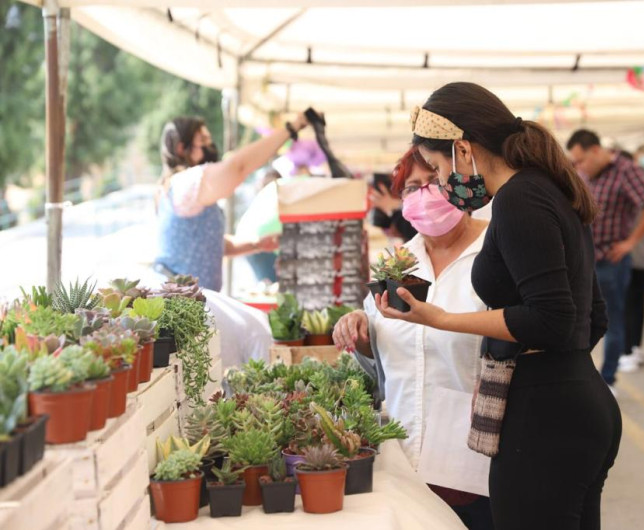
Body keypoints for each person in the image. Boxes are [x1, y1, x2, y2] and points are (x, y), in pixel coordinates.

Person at [374, 82, 620, 530]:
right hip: (576, 401)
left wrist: (442, 319)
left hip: (545, 418)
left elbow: (552, 319)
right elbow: (592, 318)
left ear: (463, 150)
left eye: (437, 168)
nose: (442, 183)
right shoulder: (549, 190)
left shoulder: (518, 199)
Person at [334, 146, 493, 529]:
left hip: (472, 456)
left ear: (459, 182)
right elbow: (382, 357)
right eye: (411, 187)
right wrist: (361, 328)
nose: (424, 193)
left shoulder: (494, 254)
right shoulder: (397, 262)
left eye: (434, 180)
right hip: (403, 455)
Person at [155, 114, 309, 291]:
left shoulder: (175, 189)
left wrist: (257, 244)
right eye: (203, 140)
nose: (210, 145)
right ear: (182, 148)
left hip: (191, 298)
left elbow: (210, 243)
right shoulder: (185, 184)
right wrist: (291, 128)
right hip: (180, 300)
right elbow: (238, 167)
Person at [567, 130, 644, 390]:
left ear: (596, 150)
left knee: (610, 319)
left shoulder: (626, 170)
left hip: (610, 259)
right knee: (579, 319)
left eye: (581, 160)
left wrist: (631, 241)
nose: (579, 166)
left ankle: (607, 379)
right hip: (584, 258)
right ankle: (582, 377)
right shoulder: (584, 175)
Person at [619, 145, 644, 372]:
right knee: (636, 302)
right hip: (641, 255)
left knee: (626, 304)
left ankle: (628, 349)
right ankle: (634, 347)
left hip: (628, 255)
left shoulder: (625, 189)